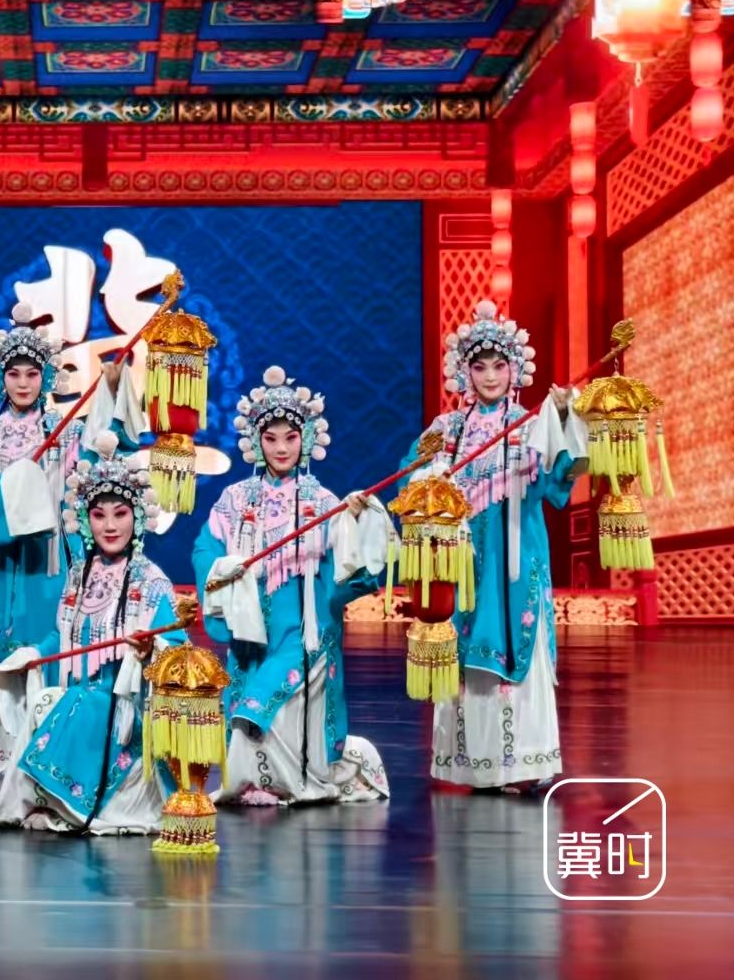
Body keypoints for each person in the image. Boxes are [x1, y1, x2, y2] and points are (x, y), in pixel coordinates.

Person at [192, 366, 392, 806]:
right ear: (256, 441)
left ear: (307, 438)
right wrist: (226, 567)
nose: (281, 448)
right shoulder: (234, 500)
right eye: (271, 438)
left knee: (261, 704)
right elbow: (205, 548)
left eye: (291, 437)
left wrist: (356, 523)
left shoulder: (324, 503)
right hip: (252, 632)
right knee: (249, 700)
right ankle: (257, 781)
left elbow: (348, 572)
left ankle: (287, 782)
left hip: (304, 632)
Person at [0, 302, 142, 773]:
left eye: (32, 373)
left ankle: (50, 748)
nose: (23, 383)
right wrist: (15, 491)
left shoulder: (65, 431)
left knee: (52, 640)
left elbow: (105, 450)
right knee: (5, 641)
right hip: (4, 559)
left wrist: (112, 389)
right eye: (14, 373)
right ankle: (2, 752)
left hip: (51, 556)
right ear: (0, 378)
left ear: (47, 377)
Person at [413, 301, 586, 795]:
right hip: (461, 561)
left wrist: (564, 417)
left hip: (517, 557)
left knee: (520, 647)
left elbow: (557, 482)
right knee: (464, 649)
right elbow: (412, 480)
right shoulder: (446, 431)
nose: (490, 376)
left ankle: (525, 764)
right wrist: (429, 473)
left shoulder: (532, 424)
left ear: (514, 370)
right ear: (465, 372)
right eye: (479, 366)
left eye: (498, 365)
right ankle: (473, 767)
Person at [0, 431, 188, 835]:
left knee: (78, 702)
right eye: (99, 515)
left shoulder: (152, 580)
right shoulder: (78, 575)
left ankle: (67, 806)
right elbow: (63, 636)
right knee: (52, 701)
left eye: (120, 514)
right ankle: (40, 802)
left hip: (126, 710)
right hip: (81, 697)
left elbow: (178, 649)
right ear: (86, 520)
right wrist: (34, 654)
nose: (109, 526)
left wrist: (150, 649)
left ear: (137, 517)